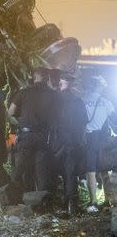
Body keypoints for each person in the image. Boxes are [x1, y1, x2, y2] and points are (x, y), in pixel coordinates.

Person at [8, 67, 59, 195]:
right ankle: (41, 203)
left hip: (26, 136)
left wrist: (22, 123)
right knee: (41, 170)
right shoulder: (54, 95)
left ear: (34, 77)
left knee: (21, 169)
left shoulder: (24, 92)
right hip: (44, 137)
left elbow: (10, 114)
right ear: (47, 78)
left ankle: (14, 197)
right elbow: (58, 117)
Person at [54, 72, 88, 214]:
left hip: (55, 141)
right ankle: (71, 205)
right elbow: (83, 123)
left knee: (54, 172)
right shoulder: (77, 101)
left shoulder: (53, 99)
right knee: (70, 173)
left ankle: (57, 203)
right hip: (72, 140)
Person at [83, 75, 116, 213]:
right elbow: (114, 122)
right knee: (104, 168)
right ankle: (111, 200)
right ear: (101, 87)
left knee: (90, 170)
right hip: (102, 138)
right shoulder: (107, 102)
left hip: (88, 138)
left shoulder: (83, 100)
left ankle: (93, 202)